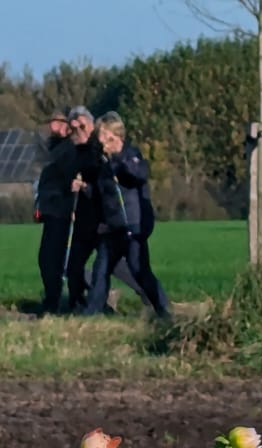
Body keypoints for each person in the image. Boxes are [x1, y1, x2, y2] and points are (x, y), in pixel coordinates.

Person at [82, 114, 169, 318]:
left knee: (139, 271)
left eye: (103, 134)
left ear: (115, 136)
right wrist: (85, 188)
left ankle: (163, 310)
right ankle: (90, 316)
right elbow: (101, 193)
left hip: (132, 225)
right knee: (100, 271)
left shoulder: (130, 154)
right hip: (111, 227)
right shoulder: (102, 162)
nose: (99, 139)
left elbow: (138, 175)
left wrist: (119, 155)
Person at [33, 111, 78, 315]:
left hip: (62, 211)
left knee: (54, 260)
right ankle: (53, 301)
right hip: (51, 211)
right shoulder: (54, 149)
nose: (51, 126)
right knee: (48, 259)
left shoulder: (68, 149)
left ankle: (54, 303)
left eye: (56, 122)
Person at [62, 107, 102, 311]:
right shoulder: (76, 152)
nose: (76, 132)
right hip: (84, 219)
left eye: (81, 126)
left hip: (102, 218)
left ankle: (153, 299)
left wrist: (85, 187)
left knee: (123, 267)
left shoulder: (100, 149)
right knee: (74, 265)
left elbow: (107, 188)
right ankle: (77, 304)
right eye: (73, 128)